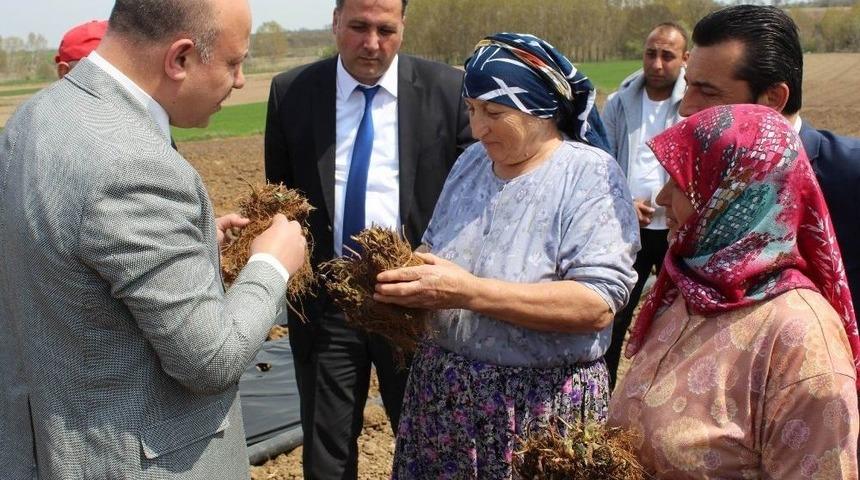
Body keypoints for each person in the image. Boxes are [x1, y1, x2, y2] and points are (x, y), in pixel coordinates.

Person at [0, 1, 307, 478]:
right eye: (233, 62)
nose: (241, 80)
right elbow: (210, 359)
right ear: (180, 58)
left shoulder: (36, 116)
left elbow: (76, 263)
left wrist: (194, 244)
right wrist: (271, 266)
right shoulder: (133, 164)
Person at [373, 33, 639, 478]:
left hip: (535, 413)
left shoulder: (587, 173)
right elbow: (436, 245)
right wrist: (407, 275)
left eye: (494, 113)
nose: (478, 128)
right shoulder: (472, 162)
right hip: (443, 401)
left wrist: (468, 292)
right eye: (472, 109)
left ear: (540, 109)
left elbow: (596, 303)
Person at [263, 0, 471, 477]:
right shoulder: (292, 92)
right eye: (358, 27)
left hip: (415, 304)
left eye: (385, 29)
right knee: (327, 451)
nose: (371, 43)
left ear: (403, 26)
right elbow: (285, 199)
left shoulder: (447, 91)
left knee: (426, 442)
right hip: (327, 305)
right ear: (335, 22)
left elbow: (472, 199)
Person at [609, 104, 859, 478]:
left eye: (679, 183)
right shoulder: (686, 291)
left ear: (735, 199)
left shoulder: (800, 339)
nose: (661, 199)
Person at [680, 4, 860, 312]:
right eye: (687, 85)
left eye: (707, 92)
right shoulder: (705, 179)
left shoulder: (850, 176)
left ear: (773, 98)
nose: (685, 108)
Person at [601, 22, 689, 387]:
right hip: (628, 227)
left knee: (676, 319)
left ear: (685, 59)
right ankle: (601, 395)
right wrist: (623, 203)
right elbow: (601, 159)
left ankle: (665, 398)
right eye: (651, 53)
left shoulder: (694, 104)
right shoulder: (620, 102)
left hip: (675, 230)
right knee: (614, 314)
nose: (656, 63)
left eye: (667, 56)